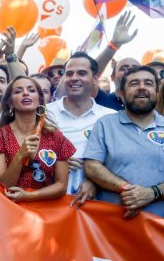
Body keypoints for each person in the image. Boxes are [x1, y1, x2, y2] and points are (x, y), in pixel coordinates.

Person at [83, 66, 164, 220]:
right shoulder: (104, 124)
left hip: (159, 230)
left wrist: (151, 193)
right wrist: (128, 190)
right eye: (134, 84)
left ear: (157, 93)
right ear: (121, 94)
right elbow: (91, 166)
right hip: (108, 228)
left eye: (148, 83)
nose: (142, 87)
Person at [0, 76, 75, 202]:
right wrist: (20, 155)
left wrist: (28, 196)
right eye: (18, 91)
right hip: (8, 209)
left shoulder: (56, 137)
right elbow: (1, 185)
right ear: (10, 102)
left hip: (44, 213)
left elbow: (61, 186)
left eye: (31, 90)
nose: (25, 93)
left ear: (39, 100)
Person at [46, 53, 116, 202]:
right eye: (69, 73)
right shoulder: (45, 112)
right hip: (49, 200)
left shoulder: (110, 117)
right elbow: (27, 151)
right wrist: (55, 159)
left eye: (82, 73)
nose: (74, 78)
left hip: (95, 204)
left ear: (95, 78)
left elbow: (120, 160)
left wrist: (96, 182)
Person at [93, 11, 140, 111]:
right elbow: (90, 74)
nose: (129, 71)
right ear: (112, 77)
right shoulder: (102, 100)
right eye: (124, 68)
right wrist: (114, 44)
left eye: (135, 68)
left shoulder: (152, 101)